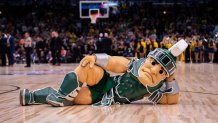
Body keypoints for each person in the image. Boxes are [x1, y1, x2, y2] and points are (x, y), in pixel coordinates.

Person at [20, 39, 188, 107]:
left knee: (74, 101)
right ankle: (60, 94)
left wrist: (171, 78)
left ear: (165, 76)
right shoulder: (133, 64)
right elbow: (113, 61)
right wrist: (94, 57)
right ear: (148, 58)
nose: (153, 70)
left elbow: (171, 101)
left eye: (160, 71)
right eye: (153, 63)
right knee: (87, 67)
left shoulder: (155, 87)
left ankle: (32, 97)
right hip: (106, 82)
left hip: (107, 97)